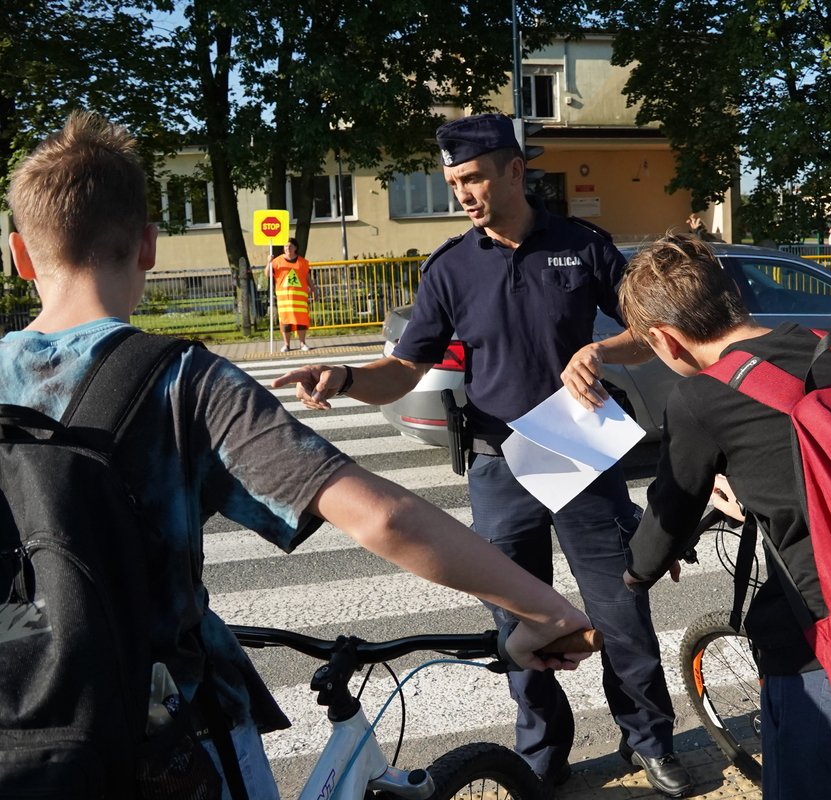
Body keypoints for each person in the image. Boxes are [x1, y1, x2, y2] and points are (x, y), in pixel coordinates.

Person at [2, 111, 592, 799]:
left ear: (20, 255)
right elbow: (380, 516)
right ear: (148, 246)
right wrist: (543, 610)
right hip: (172, 736)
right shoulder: (182, 381)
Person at [274, 113, 692, 798]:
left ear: (515, 170)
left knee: (620, 607)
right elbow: (403, 370)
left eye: (472, 177)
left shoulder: (582, 246)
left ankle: (649, 740)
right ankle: (542, 752)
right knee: (518, 620)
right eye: (453, 183)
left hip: (582, 453)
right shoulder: (450, 268)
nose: (463, 193)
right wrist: (345, 376)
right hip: (500, 463)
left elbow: (649, 332)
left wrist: (598, 350)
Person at [617, 234, 831, 800]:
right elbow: (809, 453)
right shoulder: (829, 346)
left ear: (664, 339)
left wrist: (634, 575)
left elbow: (669, 511)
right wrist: (746, 484)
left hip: (828, 650)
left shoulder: (698, 399)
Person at [267, 237, 313, 352]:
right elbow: (267, 274)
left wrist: (314, 289)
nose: (288, 248)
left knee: (301, 321)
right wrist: (269, 262)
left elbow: (307, 277)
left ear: (295, 248)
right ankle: (286, 345)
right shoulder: (277, 261)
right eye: (286, 246)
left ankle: (302, 344)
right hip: (284, 299)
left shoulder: (303, 262)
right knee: (285, 321)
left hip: (300, 299)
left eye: (290, 246)